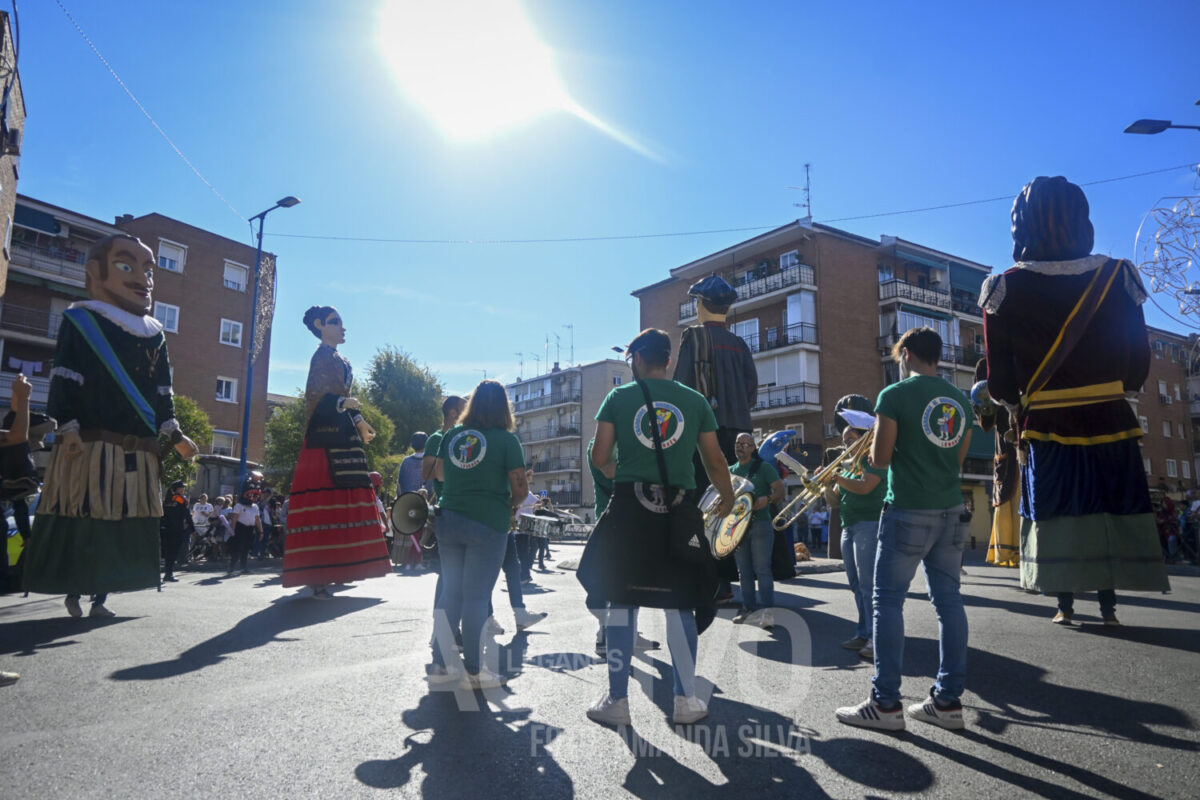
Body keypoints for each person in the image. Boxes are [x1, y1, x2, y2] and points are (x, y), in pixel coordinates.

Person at [981, 176, 1170, 624]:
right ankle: (1109, 606)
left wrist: (1016, 405)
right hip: (1110, 416)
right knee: (1108, 504)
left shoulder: (1002, 287)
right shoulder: (1118, 275)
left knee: (1059, 508)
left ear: (1020, 226)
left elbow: (1001, 382)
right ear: (1082, 219)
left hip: (1047, 421)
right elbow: (1138, 357)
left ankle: (1064, 605)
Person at [23, 234, 198, 618]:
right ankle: (72, 588)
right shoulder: (81, 320)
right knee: (83, 515)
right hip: (90, 448)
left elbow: (162, 392)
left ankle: (101, 596)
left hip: (138, 452)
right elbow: (64, 379)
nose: (142, 278)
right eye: (126, 266)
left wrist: (173, 431)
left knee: (122, 520)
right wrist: (66, 428)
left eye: (148, 270)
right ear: (93, 274)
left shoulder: (155, 333)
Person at [581, 328, 735, 727]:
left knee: (620, 600)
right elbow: (715, 461)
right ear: (667, 360)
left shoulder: (619, 397)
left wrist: (628, 475)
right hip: (679, 510)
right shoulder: (694, 400)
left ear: (635, 360)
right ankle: (685, 700)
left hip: (631, 508)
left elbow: (599, 456)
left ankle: (617, 701)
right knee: (681, 602)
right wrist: (729, 498)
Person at [836, 326, 973, 732]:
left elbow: (879, 460)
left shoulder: (893, 395)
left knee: (887, 603)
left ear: (907, 354)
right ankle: (947, 702)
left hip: (909, 509)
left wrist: (880, 435)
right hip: (951, 509)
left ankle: (885, 702)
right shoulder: (959, 400)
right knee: (949, 602)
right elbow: (958, 459)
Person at [282, 306, 392, 598]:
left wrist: (360, 422)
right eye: (336, 322)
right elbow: (318, 397)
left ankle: (340, 567)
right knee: (328, 497)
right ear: (320, 325)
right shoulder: (321, 357)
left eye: (342, 322)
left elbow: (343, 398)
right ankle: (319, 571)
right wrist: (345, 407)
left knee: (347, 496)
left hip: (343, 434)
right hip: (324, 439)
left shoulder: (340, 359)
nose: (343, 327)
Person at [428, 380, 528, 689]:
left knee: (451, 593)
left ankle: (442, 665)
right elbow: (521, 490)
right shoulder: (507, 441)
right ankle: (473, 671)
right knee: (475, 597)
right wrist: (509, 503)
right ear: (503, 407)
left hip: (449, 520)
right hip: (488, 522)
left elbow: (440, 473)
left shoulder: (454, 435)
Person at [828, 419, 887, 662]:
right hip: (848, 526)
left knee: (868, 585)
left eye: (850, 440)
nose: (846, 445)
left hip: (869, 524)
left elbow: (865, 488)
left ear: (864, 437)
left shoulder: (875, 459)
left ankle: (876, 638)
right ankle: (863, 633)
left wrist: (838, 478)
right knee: (855, 584)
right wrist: (825, 483)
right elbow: (834, 502)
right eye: (843, 441)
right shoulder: (848, 465)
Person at [730, 433, 784, 627]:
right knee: (743, 572)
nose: (741, 447)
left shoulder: (764, 467)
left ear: (753, 448)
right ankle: (748, 609)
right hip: (737, 527)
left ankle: (767, 613)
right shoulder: (730, 471)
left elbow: (780, 490)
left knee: (762, 570)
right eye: (738, 443)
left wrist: (767, 499)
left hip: (760, 523)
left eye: (745, 444)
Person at [228, 476, 264, 576]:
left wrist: (261, 531)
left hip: (250, 529)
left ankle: (244, 567)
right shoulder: (239, 505)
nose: (253, 496)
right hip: (240, 528)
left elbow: (257, 519)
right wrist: (232, 531)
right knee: (237, 549)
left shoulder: (255, 506)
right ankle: (231, 567)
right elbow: (234, 519)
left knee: (246, 549)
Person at [160, 480, 194, 582]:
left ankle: (168, 573)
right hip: (177, 529)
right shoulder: (181, 499)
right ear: (177, 489)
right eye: (181, 488)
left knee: (168, 553)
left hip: (166, 529)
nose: (183, 489)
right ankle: (168, 574)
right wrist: (192, 528)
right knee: (173, 553)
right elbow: (187, 515)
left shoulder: (167, 499)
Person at [397, 432, 429, 496]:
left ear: (412, 445)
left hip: (407, 501)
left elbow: (399, 484)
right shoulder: (431, 461)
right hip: (427, 502)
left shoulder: (406, 461)